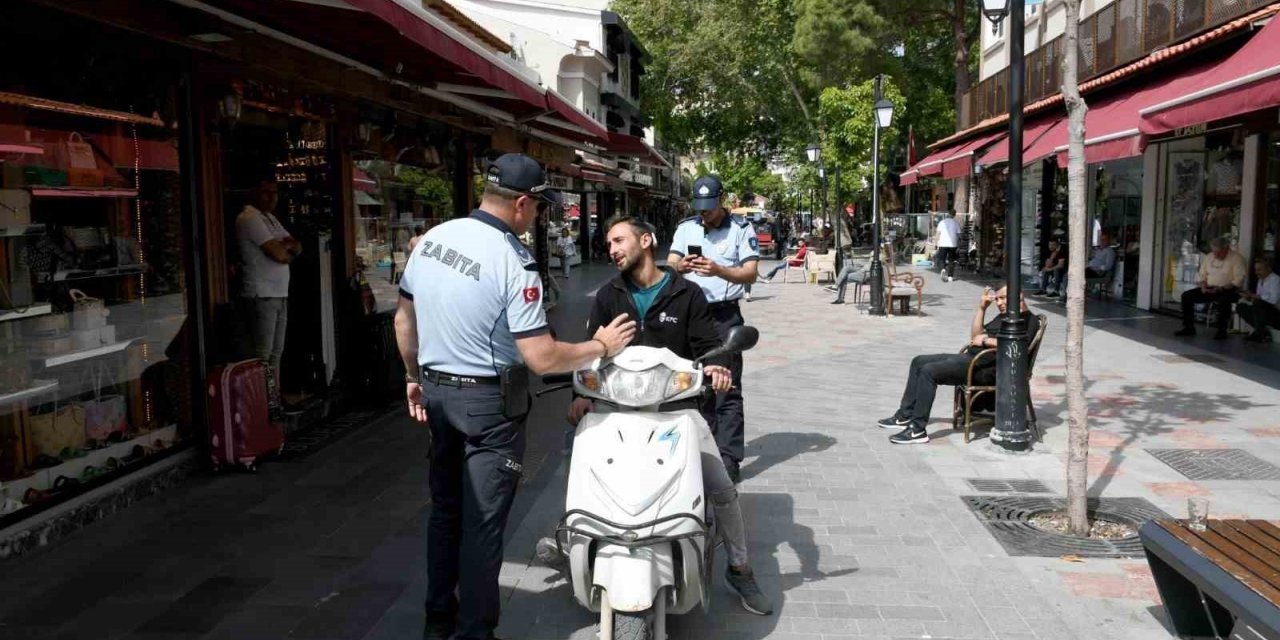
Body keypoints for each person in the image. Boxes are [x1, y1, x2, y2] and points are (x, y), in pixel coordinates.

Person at [395, 153, 636, 640]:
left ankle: (437, 619)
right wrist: (599, 346)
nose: (540, 217)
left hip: (438, 394)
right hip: (487, 406)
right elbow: (542, 357)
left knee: (445, 513)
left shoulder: (432, 242)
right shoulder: (513, 258)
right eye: (541, 208)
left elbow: (403, 321)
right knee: (482, 525)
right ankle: (474, 632)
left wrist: (412, 375)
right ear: (523, 203)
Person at [562, 215, 774, 615]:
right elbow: (590, 351)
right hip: (614, 409)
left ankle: (739, 566)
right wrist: (580, 393)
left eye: (619, 240)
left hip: (676, 410)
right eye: (608, 244)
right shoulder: (607, 295)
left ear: (647, 240)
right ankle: (570, 540)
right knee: (574, 464)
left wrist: (716, 367)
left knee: (722, 487)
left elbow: (709, 346)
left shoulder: (687, 293)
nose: (612, 249)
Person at [667, 175, 759, 483]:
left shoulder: (741, 230)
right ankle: (701, 454)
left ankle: (729, 460)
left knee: (727, 390)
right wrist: (682, 266)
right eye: (700, 208)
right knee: (694, 386)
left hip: (724, 317)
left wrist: (718, 270)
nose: (705, 213)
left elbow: (750, 274)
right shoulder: (686, 228)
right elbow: (670, 263)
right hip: (691, 316)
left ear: (722, 201)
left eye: (710, 207)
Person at [878, 285, 1040, 444]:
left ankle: (917, 429)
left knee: (929, 371)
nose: (999, 303)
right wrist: (982, 308)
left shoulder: (1029, 320)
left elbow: (1020, 346)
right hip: (972, 358)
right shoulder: (1005, 316)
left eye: (1003, 298)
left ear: (1019, 296)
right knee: (918, 360)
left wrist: (986, 340)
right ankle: (905, 415)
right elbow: (975, 335)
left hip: (987, 368)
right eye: (997, 299)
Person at [235, 179, 301, 380]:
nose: (272, 197)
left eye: (275, 193)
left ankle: (273, 401)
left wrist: (287, 249)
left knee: (276, 353)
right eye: (266, 192)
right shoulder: (249, 218)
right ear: (254, 193)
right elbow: (279, 254)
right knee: (262, 355)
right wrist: (285, 250)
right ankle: (262, 402)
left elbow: (297, 246)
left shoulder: (270, 218)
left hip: (279, 293)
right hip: (261, 294)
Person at [1175, 237, 1247, 340]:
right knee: (1186, 296)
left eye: (1219, 252)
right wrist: (1203, 285)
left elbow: (1238, 280)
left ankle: (1222, 330)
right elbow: (1201, 275)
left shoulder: (1237, 258)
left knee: (1223, 300)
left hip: (1228, 289)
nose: (1216, 255)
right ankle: (1188, 327)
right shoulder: (1209, 257)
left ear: (1226, 248)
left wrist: (1221, 288)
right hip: (1210, 287)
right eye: (1214, 252)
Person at [1237, 258, 1280, 342]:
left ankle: (1259, 334)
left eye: (1260, 270)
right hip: (1264, 311)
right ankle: (1262, 332)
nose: (1257, 272)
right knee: (1240, 307)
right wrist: (1249, 297)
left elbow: (1273, 300)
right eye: (1256, 270)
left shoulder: (1276, 279)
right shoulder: (1260, 280)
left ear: (1269, 269)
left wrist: (1254, 296)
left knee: (1258, 304)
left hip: (1276, 313)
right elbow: (1258, 298)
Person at [935, 211, 961, 282]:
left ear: (948, 214)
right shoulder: (956, 223)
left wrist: (936, 244)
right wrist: (959, 245)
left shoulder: (942, 222)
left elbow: (938, 234)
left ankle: (943, 269)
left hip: (943, 244)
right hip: (953, 244)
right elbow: (959, 236)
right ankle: (950, 277)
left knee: (941, 259)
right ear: (954, 215)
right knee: (951, 260)